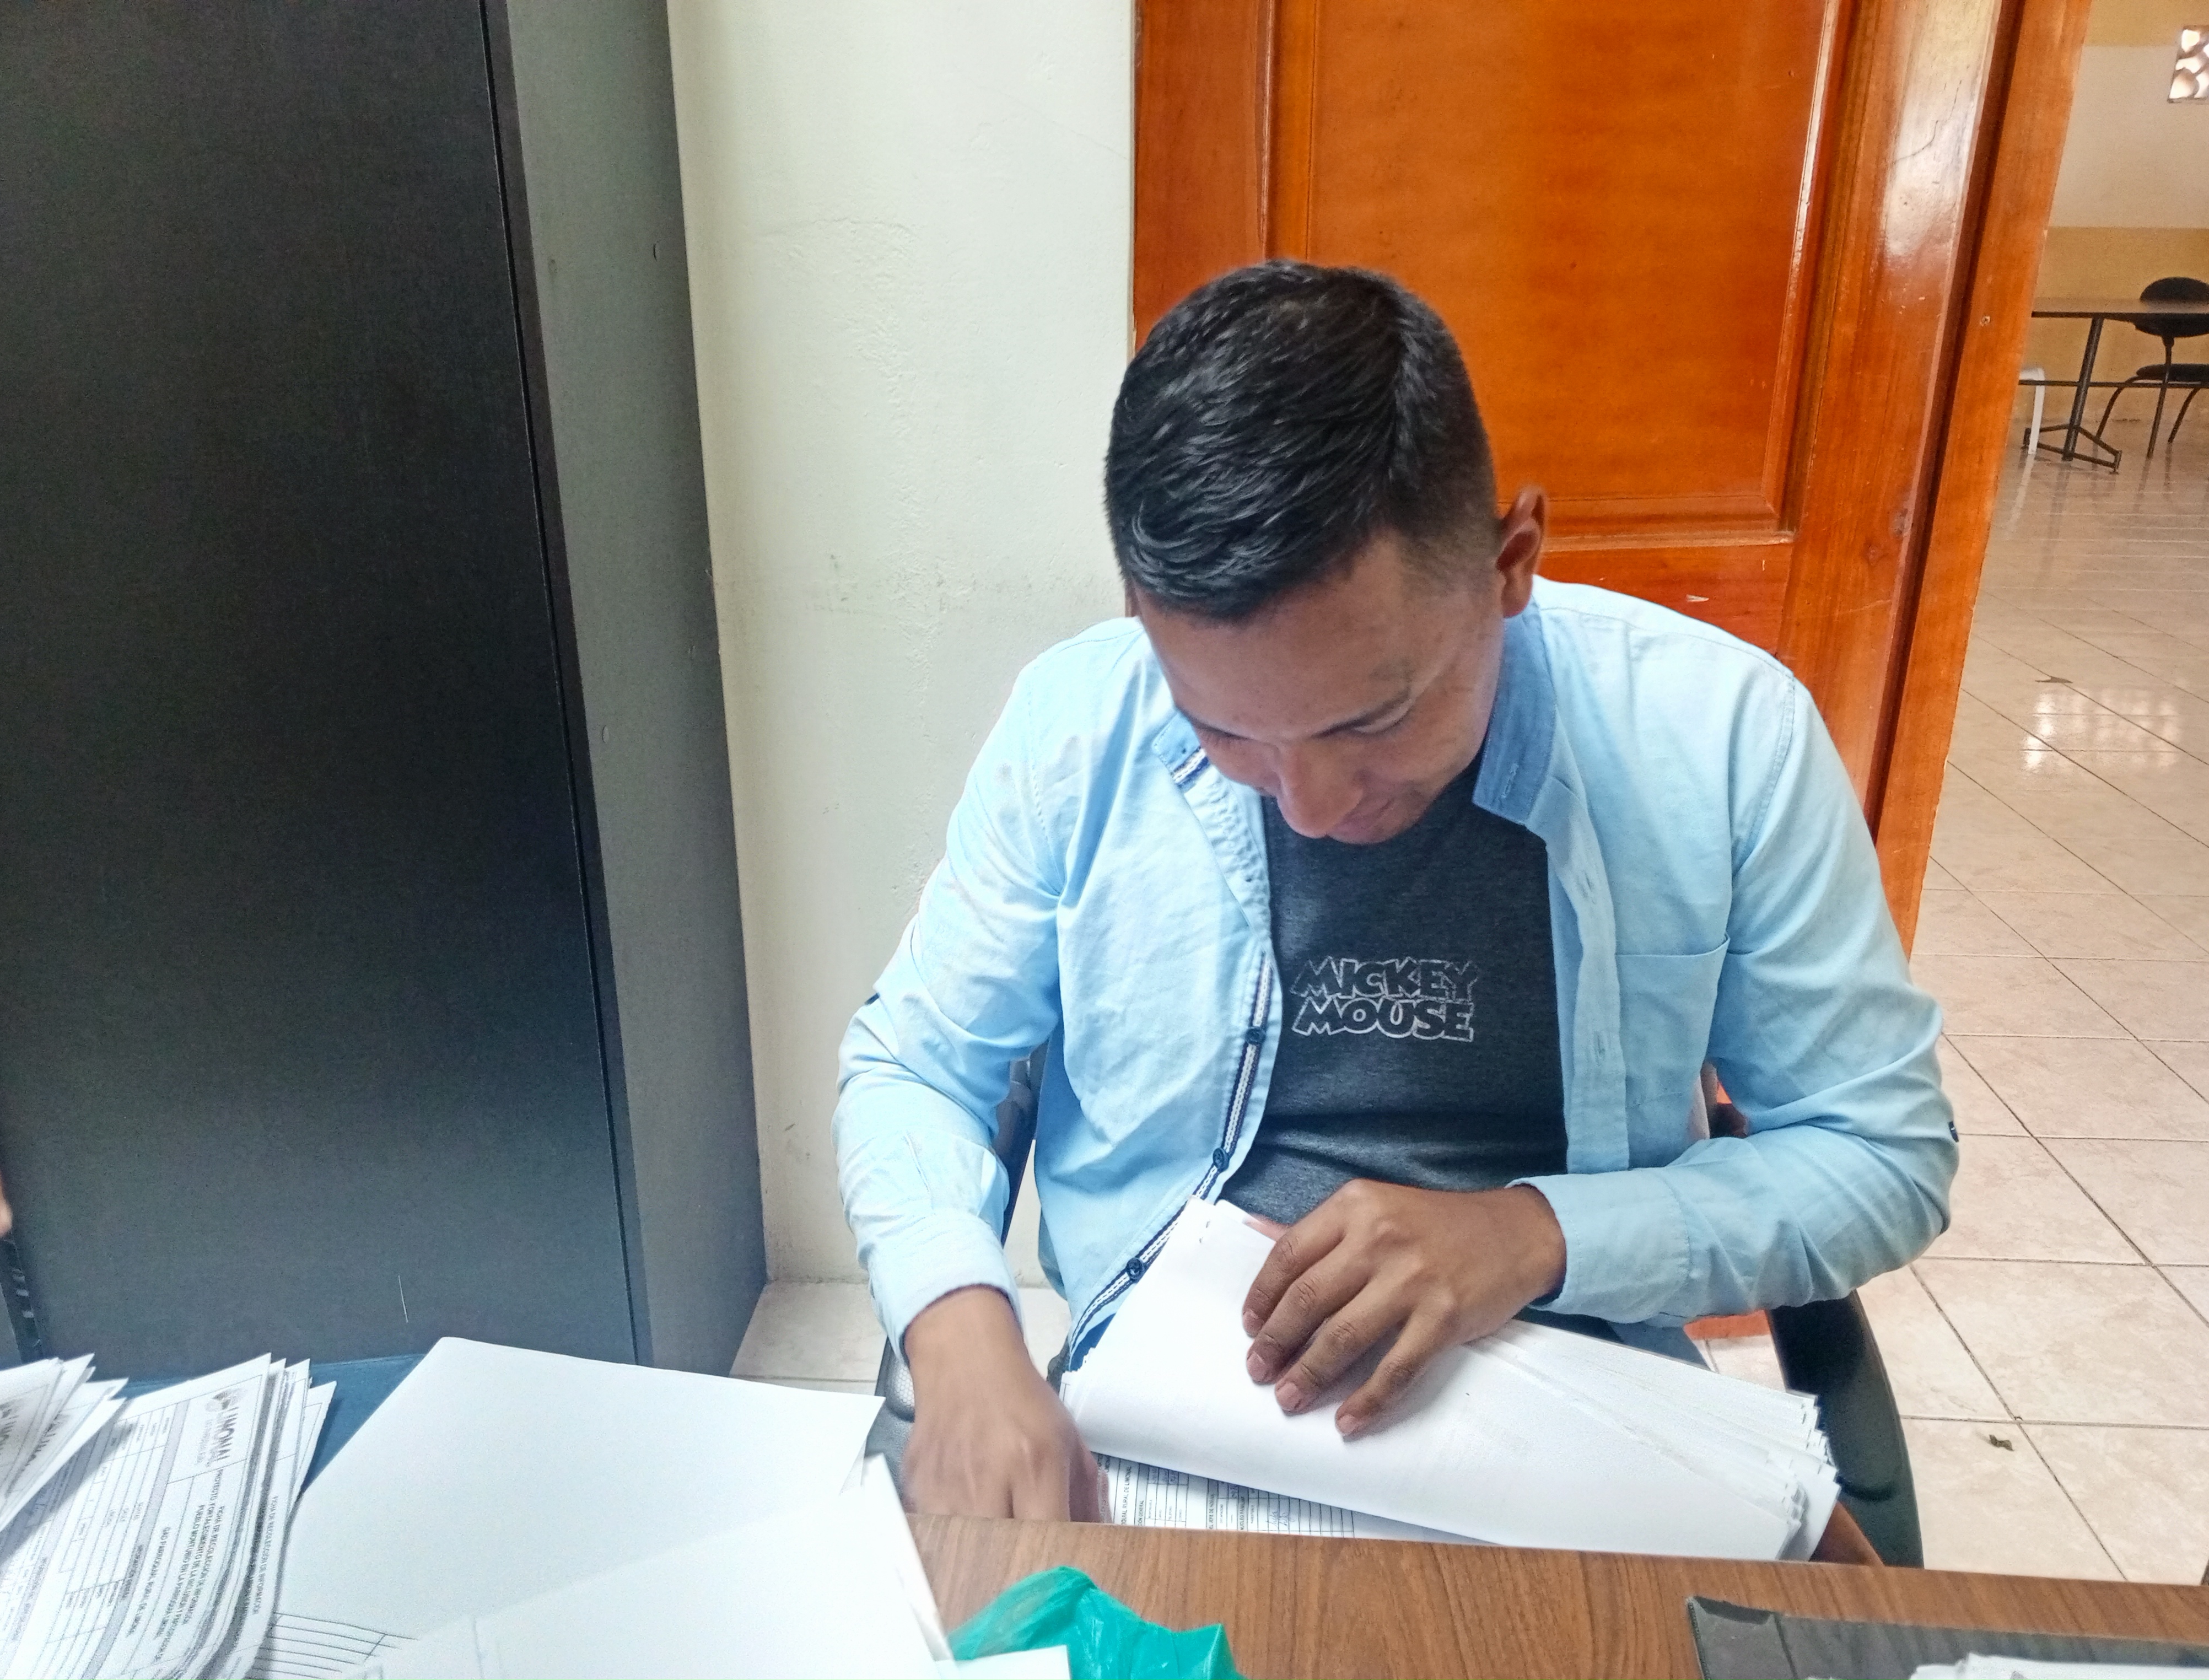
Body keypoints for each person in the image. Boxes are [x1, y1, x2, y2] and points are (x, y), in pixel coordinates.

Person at [835, 261, 1955, 1523]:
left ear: (1510, 562)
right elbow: (915, 1068)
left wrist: (1533, 1235)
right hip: (1164, 1415)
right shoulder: (1077, 723)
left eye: (1373, 720)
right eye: (1223, 731)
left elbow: (1883, 1156)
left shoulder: (1721, 739)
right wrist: (959, 1338)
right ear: (1143, 615)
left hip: (1575, 1409)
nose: (1311, 804)